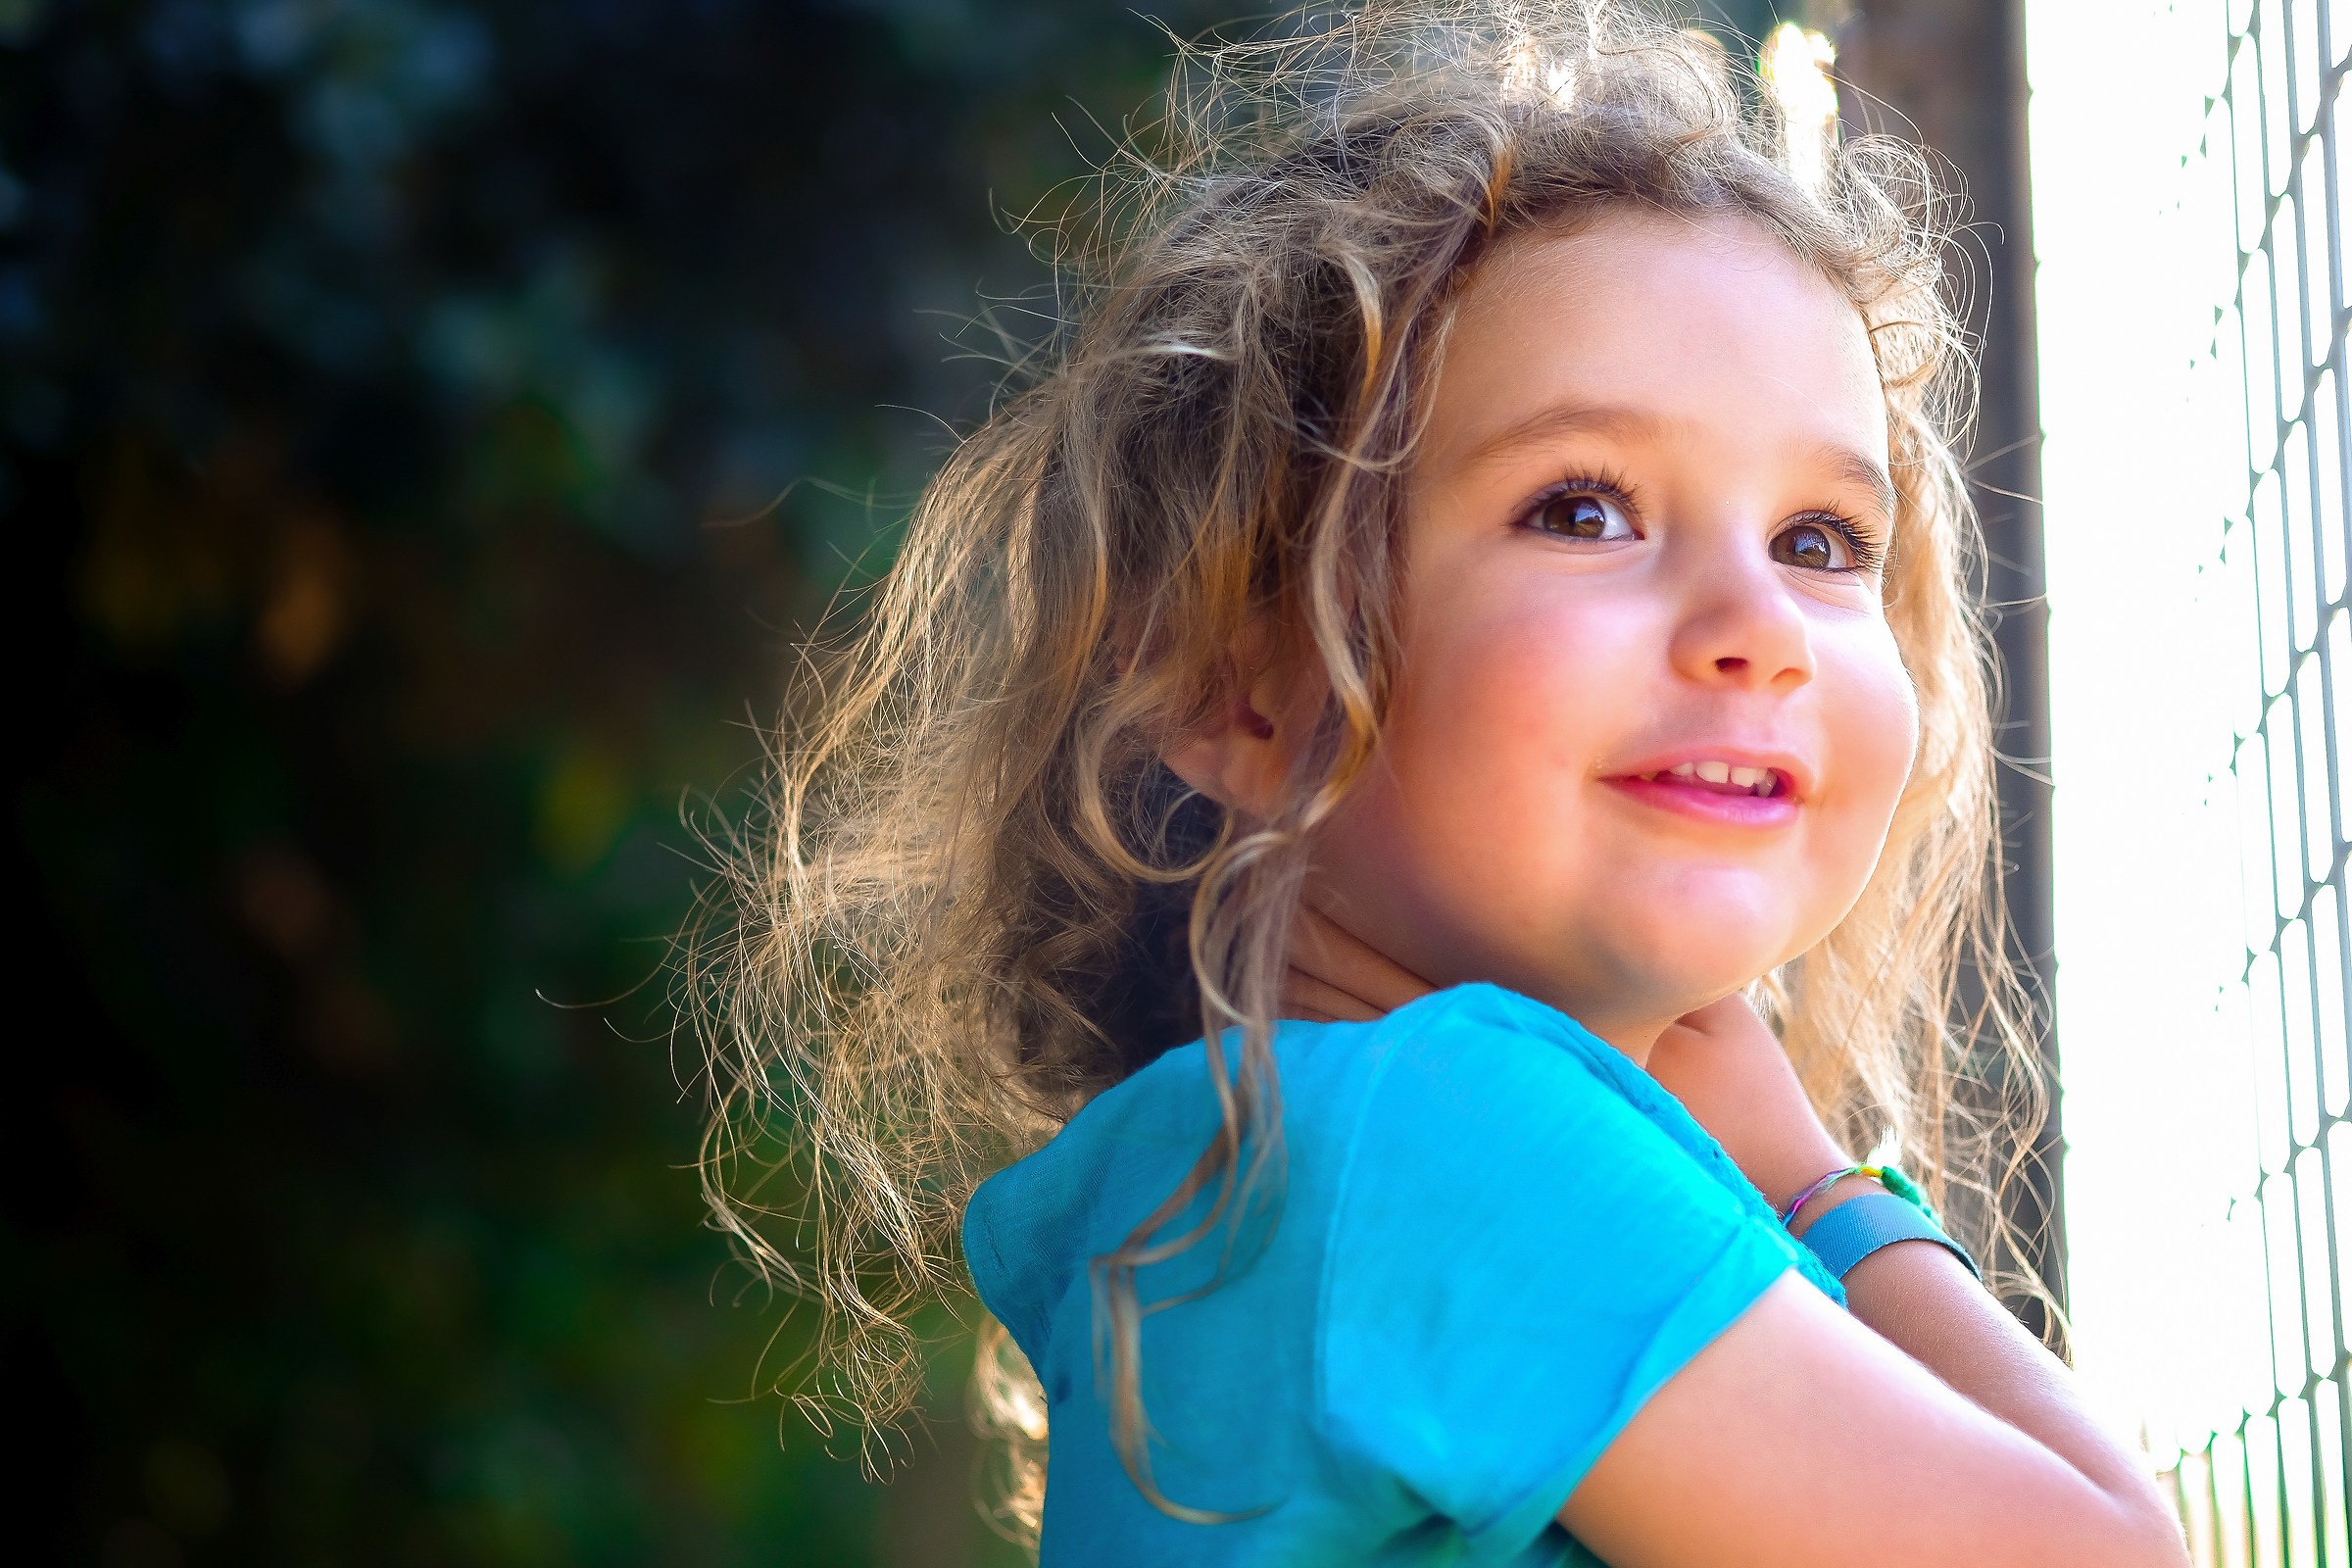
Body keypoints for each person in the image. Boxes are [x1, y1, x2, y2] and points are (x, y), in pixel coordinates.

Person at [691, 4, 2192, 1562]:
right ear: (1236, 686)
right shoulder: (1431, 1134)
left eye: (1821, 541)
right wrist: (1820, 1188)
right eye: (1586, 508)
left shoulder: (1278, 1159)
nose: (1758, 629)